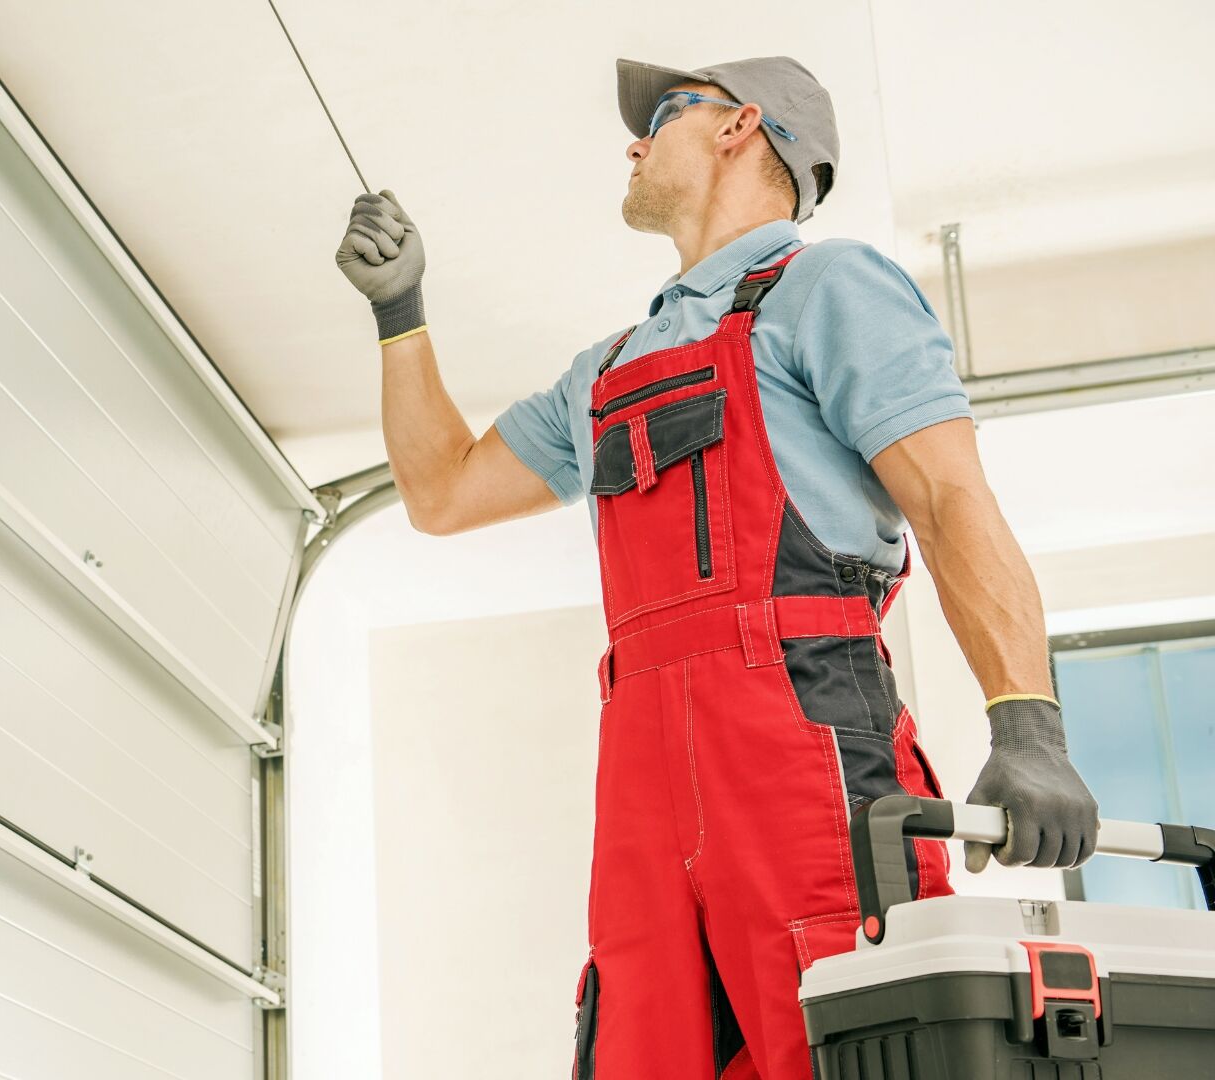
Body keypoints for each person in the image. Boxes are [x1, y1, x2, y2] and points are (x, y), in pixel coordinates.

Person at [333, 55, 1100, 1079]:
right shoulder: (604, 369)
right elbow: (442, 492)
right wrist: (401, 313)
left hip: (800, 732)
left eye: (662, 115)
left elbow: (950, 498)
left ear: (740, 126)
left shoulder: (830, 286)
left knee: (846, 1028)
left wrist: (1028, 725)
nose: (634, 142)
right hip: (640, 770)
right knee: (644, 1043)